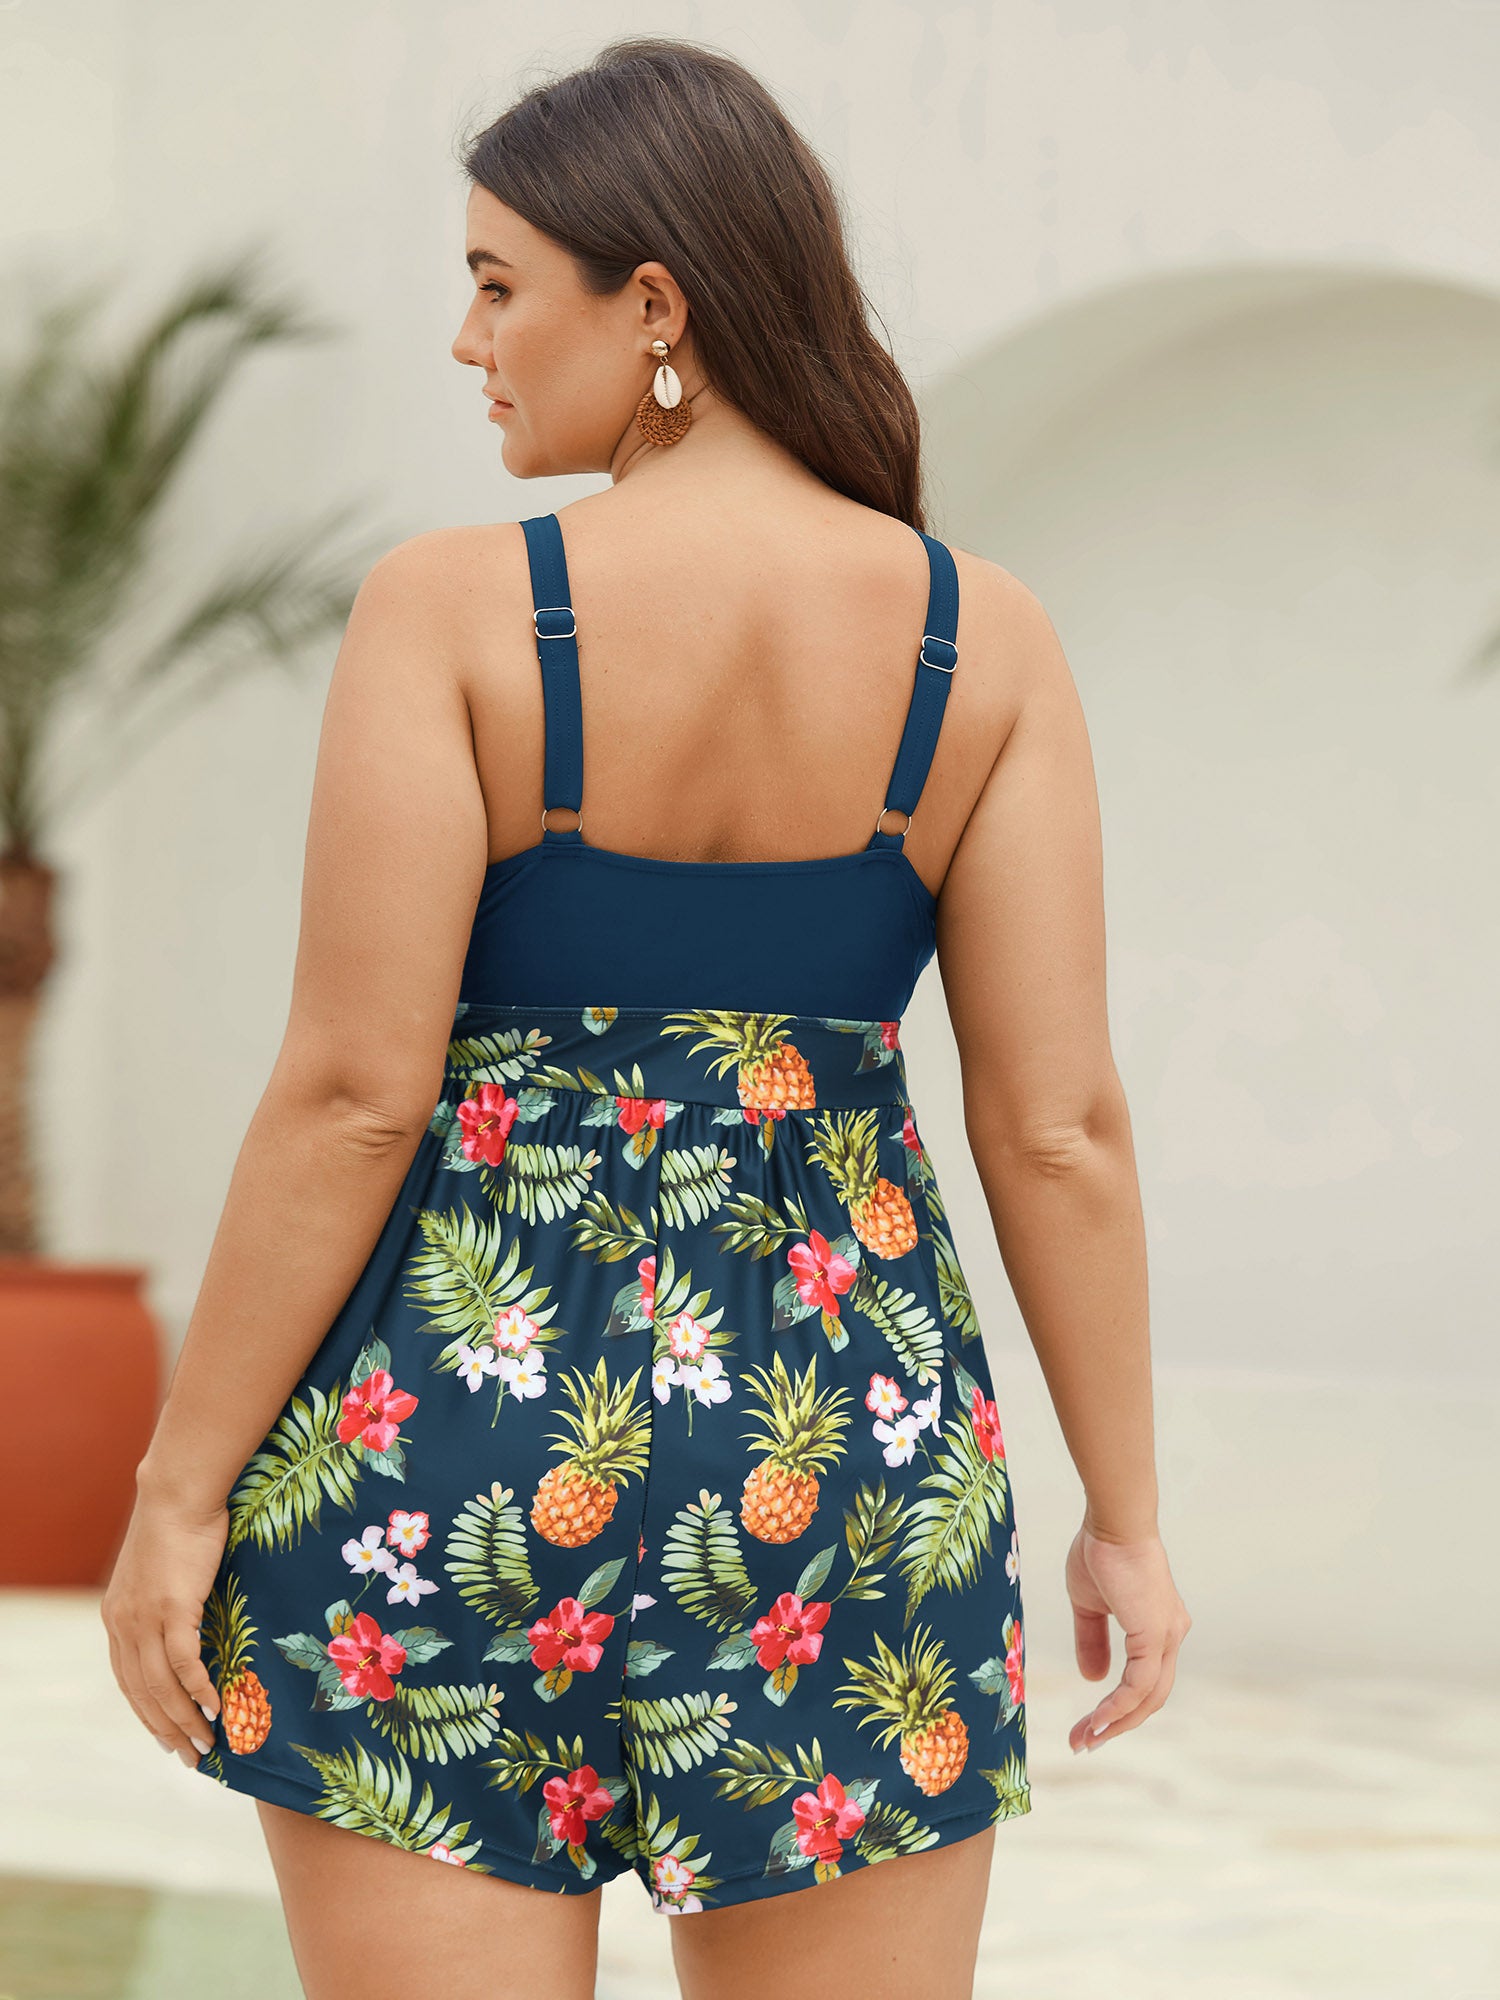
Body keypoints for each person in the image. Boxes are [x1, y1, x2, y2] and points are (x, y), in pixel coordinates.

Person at [102, 33, 1190, 2000]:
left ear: (657, 305)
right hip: (841, 1460)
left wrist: (177, 1498)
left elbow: (353, 1097)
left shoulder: (449, 612)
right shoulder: (982, 640)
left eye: (498, 283)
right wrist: (1125, 1513)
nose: (468, 340)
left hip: (451, 1446)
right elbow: (1059, 1131)